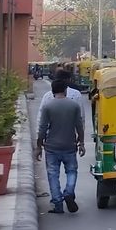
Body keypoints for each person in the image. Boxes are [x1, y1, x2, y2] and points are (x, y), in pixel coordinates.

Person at [36, 76, 86, 214]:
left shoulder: (48, 106)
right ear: (65, 90)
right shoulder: (73, 105)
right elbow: (79, 127)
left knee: (53, 175)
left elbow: (42, 128)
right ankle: (69, 192)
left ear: (52, 91)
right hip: (70, 145)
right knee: (71, 172)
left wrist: (38, 147)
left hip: (51, 147)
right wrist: (81, 143)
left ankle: (58, 204)